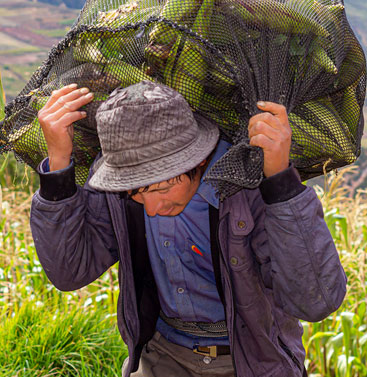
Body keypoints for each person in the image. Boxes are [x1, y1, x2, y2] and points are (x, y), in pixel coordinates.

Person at [30, 80, 347, 377]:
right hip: (162, 355)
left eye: (161, 188)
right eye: (136, 193)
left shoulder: (247, 187)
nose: (152, 209)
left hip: (250, 360)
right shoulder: (119, 193)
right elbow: (69, 272)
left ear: (198, 160)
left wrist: (280, 184)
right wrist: (58, 164)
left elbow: (315, 300)